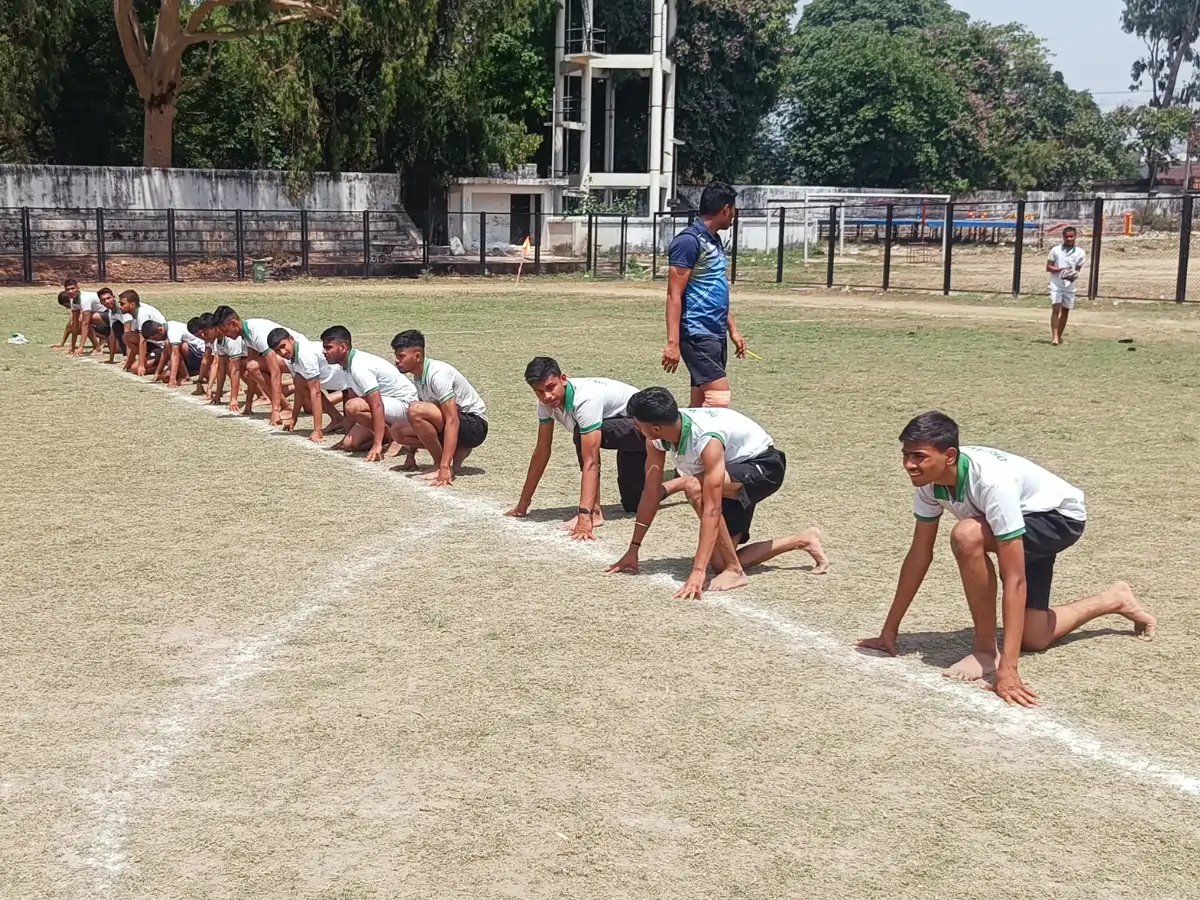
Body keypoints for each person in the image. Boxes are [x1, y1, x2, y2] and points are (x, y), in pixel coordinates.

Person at [856, 411, 1156, 708]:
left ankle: (985, 650)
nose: (909, 464)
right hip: (1014, 517)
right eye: (905, 455)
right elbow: (919, 554)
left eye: (918, 456)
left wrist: (1008, 670)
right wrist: (889, 630)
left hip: (1058, 518)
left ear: (949, 455)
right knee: (1034, 637)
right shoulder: (927, 482)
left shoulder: (991, 483)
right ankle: (1114, 599)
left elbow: (1014, 578)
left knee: (967, 535)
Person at [606, 387, 828, 598]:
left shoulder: (706, 438)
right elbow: (651, 492)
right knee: (719, 563)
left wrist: (698, 571)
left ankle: (735, 571)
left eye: (637, 424)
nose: (634, 427)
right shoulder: (656, 438)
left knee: (693, 486)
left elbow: (712, 509)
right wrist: (633, 549)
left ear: (655, 428)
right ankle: (803, 539)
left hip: (763, 467)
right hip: (727, 470)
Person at [505, 357, 645, 540]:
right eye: (539, 392)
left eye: (550, 387)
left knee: (582, 434)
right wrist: (523, 504)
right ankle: (673, 484)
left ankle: (594, 513)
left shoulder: (586, 399)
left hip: (644, 430)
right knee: (635, 504)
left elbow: (591, 461)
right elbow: (542, 451)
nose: (547, 396)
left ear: (563, 379)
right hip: (621, 431)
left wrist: (584, 515)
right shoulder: (545, 405)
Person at [662, 182, 747, 410]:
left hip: (715, 332)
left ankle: (663, 442)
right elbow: (674, 295)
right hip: (696, 331)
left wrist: (733, 329)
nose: (734, 215)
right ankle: (657, 436)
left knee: (698, 405)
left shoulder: (714, 240)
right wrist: (672, 342)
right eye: (734, 209)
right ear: (726, 209)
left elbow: (713, 288)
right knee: (719, 399)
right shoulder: (689, 241)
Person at [388, 329, 488, 486]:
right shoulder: (418, 376)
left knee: (416, 409)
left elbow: (452, 419)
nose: (396, 360)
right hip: (457, 422)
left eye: (401, 356)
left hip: (474, 425)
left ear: (417, 356)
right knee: (398, 430)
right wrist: (410, 455)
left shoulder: (437, 374)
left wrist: (444, 467)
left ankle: (441, 464)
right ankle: (456, 453)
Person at [320, 325, 416, 462]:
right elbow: (353, 396)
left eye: (328, 347)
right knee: (350, 444)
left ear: (342, 347)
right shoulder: (346, 364)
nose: (324, 352)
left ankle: (394, 437)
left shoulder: (359, 366)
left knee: (353, 406)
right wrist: (346, 437)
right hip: (387, 406)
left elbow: (376, 404)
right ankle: (388, 434)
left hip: (405, 405)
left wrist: (377, 445)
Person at [212, 305, 298, 424]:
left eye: (225, 331)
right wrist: (248, 404)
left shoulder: (257, 332)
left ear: (233, 324)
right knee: (309, 408)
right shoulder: (247, 336)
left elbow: (276, 373)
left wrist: (275, 410)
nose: (225, 335)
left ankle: (286, 408)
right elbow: (251, 373)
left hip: (297, 358)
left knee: (253, 366)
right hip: (291, 361)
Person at [266, 327, 347, 444]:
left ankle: (339, 419)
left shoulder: (305, 355)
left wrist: (317, 430)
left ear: (291, 339)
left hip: (350, 385)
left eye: (283, 346)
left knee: (352, 435)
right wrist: (294, 418)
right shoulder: (291, 357)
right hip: (339, 383)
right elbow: (299, 388)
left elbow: (316, 392)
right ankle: (337, 419)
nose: (282, 353)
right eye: (277, 351)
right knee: (299, 380)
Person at [1046, 226, 1085, 346]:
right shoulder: (1055, 250)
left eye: (1071, 236)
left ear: (1075, 237)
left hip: (1069, 286)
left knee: (1065, 311)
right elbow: (1048, 267)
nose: (1069, 238)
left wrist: (1071, 275)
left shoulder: (1080, 253)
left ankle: (1059, 336)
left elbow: (1077, 270)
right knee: (1055, 308)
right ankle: (1055, 338)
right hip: (1056, 285)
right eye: (1067, 236)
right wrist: (1060, 270)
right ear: (1063, 237)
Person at [142, 319, 206, 386]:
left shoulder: (173, 330)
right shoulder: (168, 332)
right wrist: (158, 372)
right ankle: (192, 372)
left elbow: (175, 354)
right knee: (165, 377)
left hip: (200, 355)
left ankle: (186, 377)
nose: (157, 341)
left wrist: (173, 378)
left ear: (160, 330)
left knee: (171, 345)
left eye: (156, 338)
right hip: (189, 358)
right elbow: (165, 353)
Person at [118, 290, 166, 376]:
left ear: (132, 305)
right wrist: (129, 361)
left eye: (122, 304)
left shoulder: (142, 314)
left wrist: (141, 365)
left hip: (161, 347)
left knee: (135, 369)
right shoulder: (134, 315)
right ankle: (151, 360)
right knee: (127, 336)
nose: (120, 307)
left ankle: (164, 364)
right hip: (152, 344)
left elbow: (142, 341)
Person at [97, 288, 126, 363]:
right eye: (103, 300)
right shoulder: (111, 313)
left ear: (114, 297)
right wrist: (111, 359)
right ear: (101, 302)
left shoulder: (124, 308)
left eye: (108, 298)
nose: (107, 301)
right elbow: (112, 336)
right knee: (117, 327)